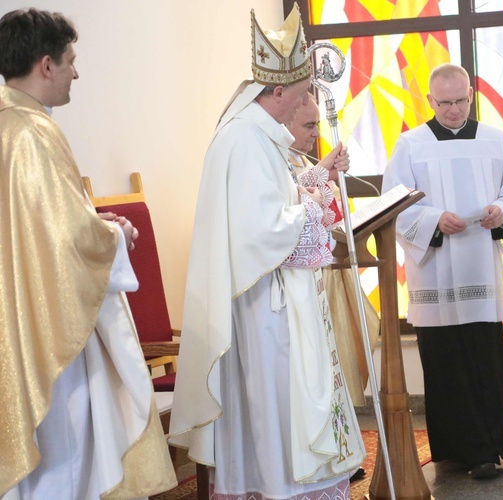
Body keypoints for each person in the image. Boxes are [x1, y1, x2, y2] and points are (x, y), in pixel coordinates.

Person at [168, 6, 365, 499]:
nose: (303, 107)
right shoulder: (243, 141)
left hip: (276, 299)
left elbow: (277, 200)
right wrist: (315, 204)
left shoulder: (260, 138)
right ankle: (281, 489)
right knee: (278, 413)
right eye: (300, 97)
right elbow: (260, 232)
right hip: (264, 311)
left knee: (285, 410)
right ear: (277, 92)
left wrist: (314, 182)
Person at [0, 8, 176, 499]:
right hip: (52, 329)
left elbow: (36, 228)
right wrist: (115, 237)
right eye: (71, 60)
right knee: (67, 455)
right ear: (46, 65)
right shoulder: (32, 133)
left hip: (18, 316)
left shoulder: (10, 125)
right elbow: (66, 241)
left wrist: (97, 223)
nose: (77, 72)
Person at [381, 63, 503, 480]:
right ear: (430, 101)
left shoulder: (495, 140)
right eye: (443, 102)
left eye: (460, 100)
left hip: (479, 268)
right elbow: (394, 204)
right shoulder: (410, 144)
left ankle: (487, 450)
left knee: (482, 358)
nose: (452, 110)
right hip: (435, 274)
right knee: (444, 362)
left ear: (470, 95)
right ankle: (450, 449)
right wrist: (431, 220)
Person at [286, 94, 380, 410]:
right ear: (286, 122)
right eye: (308, 125)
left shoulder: (303, 160)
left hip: (327, 277)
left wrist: (331, 179)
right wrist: (323, 173)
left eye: (318, 124)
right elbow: (284, 201)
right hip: (299, 283)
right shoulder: (275, 159)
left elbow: (332, 218)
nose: (316, 133)